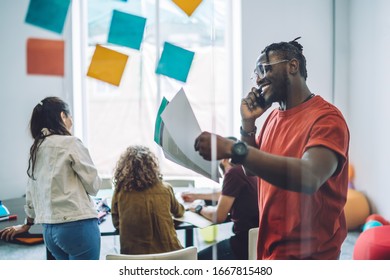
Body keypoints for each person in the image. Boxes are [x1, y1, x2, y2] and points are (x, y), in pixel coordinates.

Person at [194, 38, 350, 260]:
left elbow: (309, 176)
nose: (258, 79)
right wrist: (247, 124)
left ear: (292, 66)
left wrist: (233, 148)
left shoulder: (327, 118)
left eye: (264, 68)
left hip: (310, 256)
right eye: (255, 72)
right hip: (270, 249)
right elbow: (251, 171)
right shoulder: (272, 118)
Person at [0, 96, 102, 260]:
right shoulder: (71, 143)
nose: (71, 121)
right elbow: (94, 186)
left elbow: (31, 191)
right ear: (62, 116)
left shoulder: (36, 148)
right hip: (78, 226)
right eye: (69, 117)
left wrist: (28, 224)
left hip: (50, 231)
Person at [182, 153, 258, 260]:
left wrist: (198, 208)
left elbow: (218, 216)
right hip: (256, 241)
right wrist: (196, 196)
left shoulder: (233, 173)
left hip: (242, 246)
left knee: (194, 259)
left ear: (224, 160)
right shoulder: (249, 169)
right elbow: (226, 193)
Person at [111, 145, 185, 254]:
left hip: (134, 260)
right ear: (152, 167)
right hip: (169, 256)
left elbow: (117, 223)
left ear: (123, 168)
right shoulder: (165, 189)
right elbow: (179, 212)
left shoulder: (120, 192)